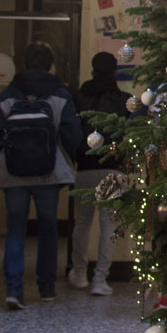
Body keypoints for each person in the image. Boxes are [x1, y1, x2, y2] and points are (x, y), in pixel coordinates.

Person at [0, 41, 81, 310]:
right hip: (48, 174)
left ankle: (14, 290)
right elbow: (72, 135)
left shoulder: (8, 95)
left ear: (24, 64)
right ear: (50, 65)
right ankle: (46, 288)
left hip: (13, 174)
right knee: (48, 230)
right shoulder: (61, 94)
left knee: (15, 229)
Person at [69, 51, 130, 296]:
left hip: (83, 168)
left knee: (81, 225)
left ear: (92, 71)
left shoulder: (79, 97)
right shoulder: (123, 100)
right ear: (115, 72)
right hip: (111, 170)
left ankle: (79, 274)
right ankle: (100, 280)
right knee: (108, 228)